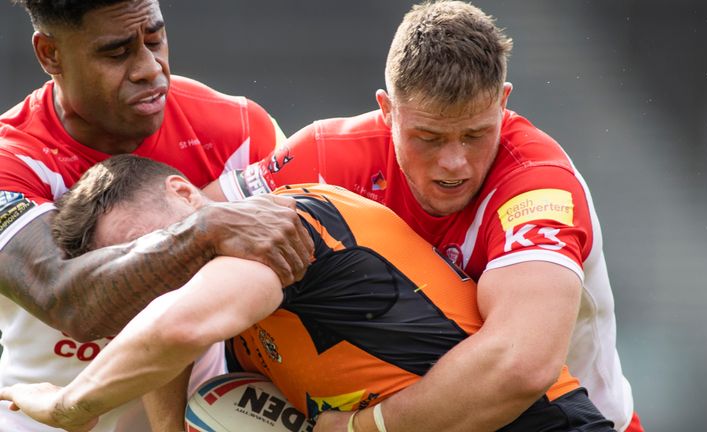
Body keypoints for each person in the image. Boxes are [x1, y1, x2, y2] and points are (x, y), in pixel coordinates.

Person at [210, 1, 644, 431]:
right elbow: (191, 223)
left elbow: (521, 368)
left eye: (475, 134)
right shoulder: (327, 153)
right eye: (428, 138)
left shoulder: (537, 187)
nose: (454, 163)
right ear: (387, 109)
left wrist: (362, 429)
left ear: (503, 101)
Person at [0, 154, 615, 432]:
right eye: (141, 267)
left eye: (157, 241)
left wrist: (71, 406)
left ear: (188, 196)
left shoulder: (278, 230)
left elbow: (174, 327)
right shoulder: (218, 298)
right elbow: (164, 316)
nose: (165, 265)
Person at [0, 1, 312, 431]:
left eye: (155, 39)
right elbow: (66, 300)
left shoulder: (237, 131)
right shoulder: (11, 161)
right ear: (50, 54)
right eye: (116, 52)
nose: (151, 68)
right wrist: (204, 228)